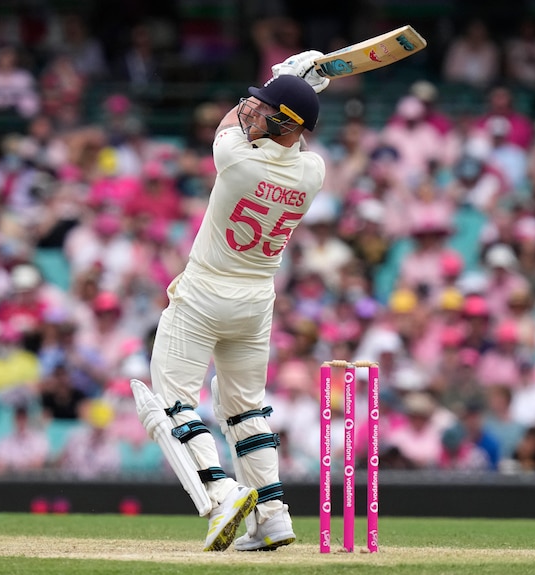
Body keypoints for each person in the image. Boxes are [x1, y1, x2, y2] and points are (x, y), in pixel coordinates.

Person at [131, 52, 330, 553]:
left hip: (204, 292)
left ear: (283, 123)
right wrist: (294, 94)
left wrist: (281, 80)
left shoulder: (236, 160)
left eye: (262, 108)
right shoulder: (312, 172)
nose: (249, 110)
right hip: (256, 302)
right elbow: (290, 137)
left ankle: (221, 493)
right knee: (244, 410)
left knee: (172, 398)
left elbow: (228, 123)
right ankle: (272, 516)